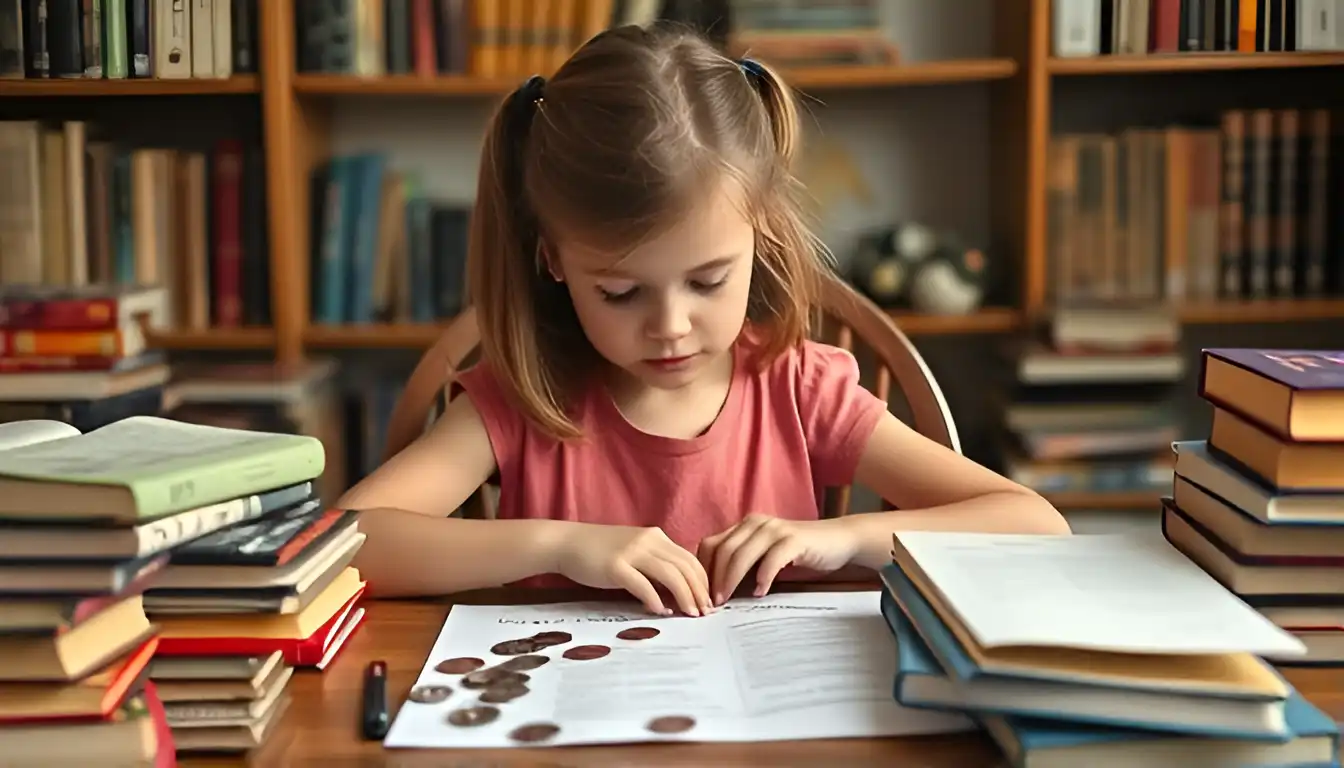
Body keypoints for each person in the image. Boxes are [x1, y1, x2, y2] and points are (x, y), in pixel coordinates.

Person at [338, 23, 1070, 617]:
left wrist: (843, 538)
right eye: (621, 293)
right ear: (553, 263)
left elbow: (1034, 524)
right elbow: (346, 544)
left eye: (708, 281)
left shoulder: (800, 388)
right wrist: (558, 545)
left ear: (760, 236)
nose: (672, 326)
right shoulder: (522, 401)